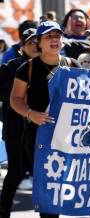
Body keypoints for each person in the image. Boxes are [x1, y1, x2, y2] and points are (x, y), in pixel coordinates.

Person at [10, 21, 79, 218]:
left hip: (68, 138)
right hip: (38, 137)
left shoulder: (73, 65)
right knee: (49, 187)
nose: (54, 40)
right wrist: (31, 114)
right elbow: (15, 99)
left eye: (57, 35)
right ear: (39, 42)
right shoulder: (27, 69)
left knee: (67, 183)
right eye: (49, 36)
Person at [0, 28, 39, 218]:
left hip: (38, 131)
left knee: (39, 173)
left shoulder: (50, 66)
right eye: (29, 42)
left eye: (37, 41)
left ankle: (46, 212)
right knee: (15, 173)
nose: (34, 45)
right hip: (15, 130)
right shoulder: (11, 67)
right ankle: (3, 210)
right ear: (22, 46)